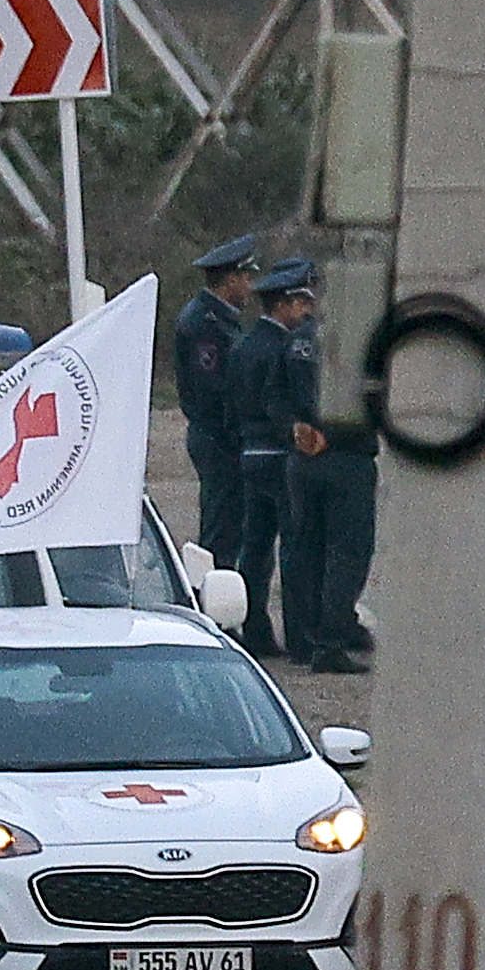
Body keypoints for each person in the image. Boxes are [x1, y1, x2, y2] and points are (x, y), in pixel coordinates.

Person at [280, 275, 379, 674]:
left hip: (304, 457)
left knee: (309, 549)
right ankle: (332, 641)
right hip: (348, 457)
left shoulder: (296, 340)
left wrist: (295, 428)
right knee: (348, 553)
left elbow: (273, 396)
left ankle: (307, 638)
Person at [220, 261, 308, 663]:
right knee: (293, 545)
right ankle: (300, 633)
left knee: (254, 547)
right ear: (284, 304)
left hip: (249, 452)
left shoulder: (241, 345)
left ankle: (252, 626)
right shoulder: (284, 348)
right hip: (279, 452)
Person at [171, 236, 261, 573]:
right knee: (220, 531)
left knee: (230, 527)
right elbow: (210, 390)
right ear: (231, 279)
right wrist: (235, 431)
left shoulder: (221, 318)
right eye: (246, 278)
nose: (250, 286)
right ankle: (211, 603)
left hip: (221, 435)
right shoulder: (204, 324)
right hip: (217, 437)